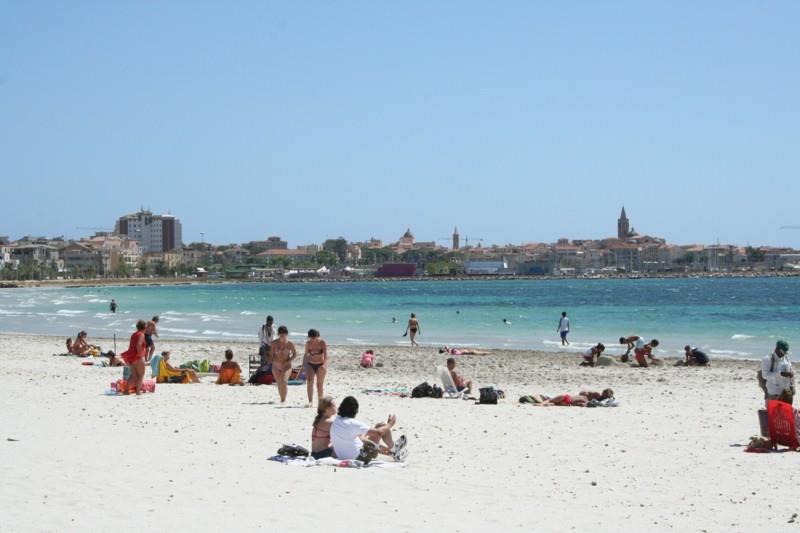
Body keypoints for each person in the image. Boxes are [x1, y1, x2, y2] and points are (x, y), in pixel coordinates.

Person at [330, 396, 407, 463]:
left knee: (377, 427)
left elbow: (362, 440)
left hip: (344, 457)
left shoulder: (336, 421)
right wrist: (390, 424)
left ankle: (392, 452)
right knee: (382, 427)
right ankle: (394, 448)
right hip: (362, 458)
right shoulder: (352, 423)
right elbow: (379, 433)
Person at [269, 325, 297, 404]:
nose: (282, 334)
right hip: (276, 366)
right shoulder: (274, 343)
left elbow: (295, 354)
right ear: (278, 333)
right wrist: (273, 360)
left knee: (284, 381)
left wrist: (289, 361)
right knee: (279, 382)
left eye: (283, 332)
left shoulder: (290, 344)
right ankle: (282, 399)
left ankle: (283, 400)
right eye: (280, 332)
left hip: (286, 366)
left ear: (286, 333)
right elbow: (270, 354)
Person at [760, 340, 794, 406]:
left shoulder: (786, 358)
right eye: (783, 352)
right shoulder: (767, 359)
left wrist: (792, 386)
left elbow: (791, 373)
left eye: (785, 352)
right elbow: (765, 375)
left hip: (785, 393)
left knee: (785, 414)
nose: (784, 354)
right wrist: (780, 374)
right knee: (772, 414)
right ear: (777, 349)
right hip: (773, 393)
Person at [120, 320, 147, 395]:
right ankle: (138, 392)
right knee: (141, 375)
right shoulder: (141, 334)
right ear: (144, 327)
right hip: (137, 357)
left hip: (130, 357)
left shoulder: (134, 334)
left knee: (134, 376)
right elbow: (138, 344)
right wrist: (140, 355)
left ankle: (126, 391)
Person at [304, 329, 328, 406]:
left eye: (314, 337)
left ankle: (320, 402)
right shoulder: (308, 343)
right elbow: (306, 355)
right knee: (310, 382)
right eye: (311, 337)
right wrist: (303, 366)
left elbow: (326, 355)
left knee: (319, 384)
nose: (313, 339)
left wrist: (324, 365)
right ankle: (310, 402)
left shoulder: (322, 343)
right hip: (311, 364)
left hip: (320, 364)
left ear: (317, 336)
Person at [528, 388, 614, 407]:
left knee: (551, 400)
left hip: (568, 399)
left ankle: (542, 404)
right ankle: (546, 404)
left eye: (605, 393)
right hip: (568, 403)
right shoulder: (595, 397)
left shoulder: (594, 396)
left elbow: (583, 393)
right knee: (554, 403)